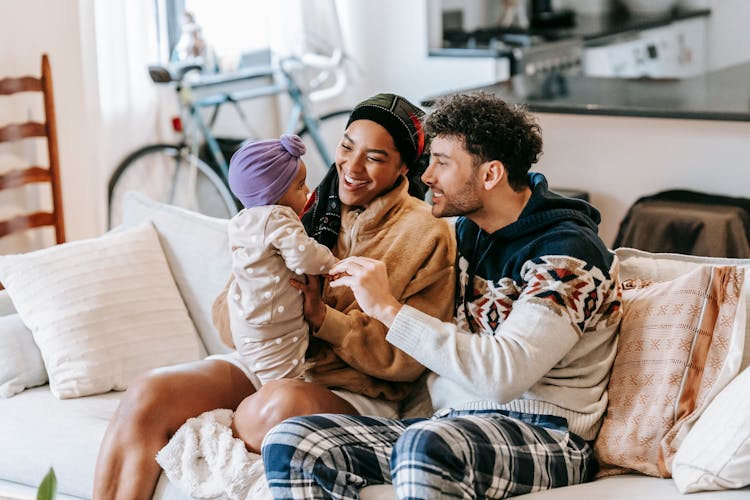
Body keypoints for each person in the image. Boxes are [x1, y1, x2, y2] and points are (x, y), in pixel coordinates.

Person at [92, 92, 456, 500]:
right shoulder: (294, 209)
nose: (352, 168)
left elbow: (410, 359)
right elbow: (227, 327)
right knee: (148, 395)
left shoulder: (428, 235)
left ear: (404, 166)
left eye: (374, 158)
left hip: (354, 392)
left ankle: (213, 435)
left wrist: (323, 319)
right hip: (270, 361)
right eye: (347, 147)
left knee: (277, 406)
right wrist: (254, 288)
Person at [261, 92, 623, 500]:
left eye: (442, 163)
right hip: (453, 425)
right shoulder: (468, 233)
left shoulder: (567, 254)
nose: (427, 176)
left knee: (427, 445)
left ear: (490, 175)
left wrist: (386, 308)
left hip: (547, 434)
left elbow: (504, 375)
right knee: (293, 442)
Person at [224, 134, 338, 386]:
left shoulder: (240, 221)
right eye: (300, 186)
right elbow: (304, 257)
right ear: (272, 192)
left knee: (265, 378)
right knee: (285, 381)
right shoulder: (278, 216)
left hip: (246, 321)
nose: (308, 191)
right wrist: (334, 264)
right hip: (276, 324)